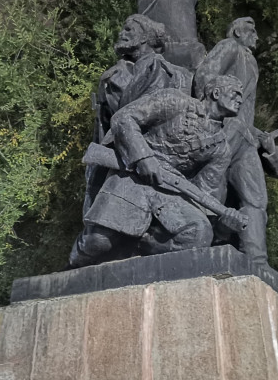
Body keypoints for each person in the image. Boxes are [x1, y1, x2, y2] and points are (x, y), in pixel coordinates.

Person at [68, 76, 245, 268]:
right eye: (236, 94)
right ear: (216, 93)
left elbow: (204, 196)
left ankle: (139, 247)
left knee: (199, 233)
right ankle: (70, 270)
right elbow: (124, 118)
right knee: (98, 241)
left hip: (170, 191)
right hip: (132, 175)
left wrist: (223, 228)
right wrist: (143, 157)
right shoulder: (174, 100)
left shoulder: (221, 149)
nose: (240, 100)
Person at [194, 17, 278, 271]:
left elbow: (246, 113)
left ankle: (257, 262)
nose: (257, 36)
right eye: (252, 31)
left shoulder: (251, 61)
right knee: (212, 187)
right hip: (225, 128)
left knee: (256, 199)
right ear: (237, 31)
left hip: (245, 136)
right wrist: (211, 117)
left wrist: (260, 138)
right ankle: (198, 243)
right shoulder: (230, 46)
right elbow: (204, 76)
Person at [85, 14, 193, 214]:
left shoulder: (176, 75)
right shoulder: (110, 78)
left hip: (161, 163)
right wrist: (94, 173)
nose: (121, 33)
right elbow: (101, 130)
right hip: (119, 161)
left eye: (128, 29)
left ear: (144, 37)